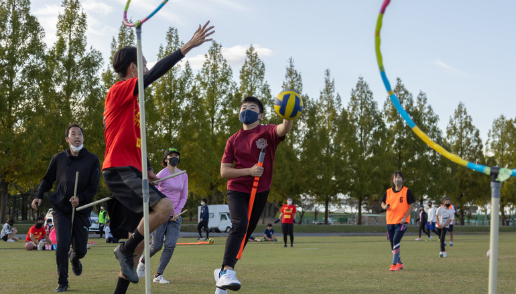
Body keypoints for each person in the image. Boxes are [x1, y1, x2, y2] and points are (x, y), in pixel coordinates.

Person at [102, 22, 214, 294]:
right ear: (132, 68)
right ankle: (124, 251)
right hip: (119, 170)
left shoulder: (133, 103)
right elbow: (153, 75)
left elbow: (135, 139)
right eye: (143, 63)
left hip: (133, 169)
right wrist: (186, 47)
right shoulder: (119, 90)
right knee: (164, 209)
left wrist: (149, 167)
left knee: (139, 243)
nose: (147, 67)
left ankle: (126, 260)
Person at [214, 95, 294, 293]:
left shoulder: (266, 132)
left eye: (251, 107)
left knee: (244, 235)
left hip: (260, 190)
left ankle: (222, 276)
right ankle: (227, 271)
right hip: (237, 189)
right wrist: (248, 171)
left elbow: (284, 129)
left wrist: (288, 114)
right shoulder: (232, 140)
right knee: (239, 225)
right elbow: (225, 171)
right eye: (243, 107)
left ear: (261, 115)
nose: (246, 110)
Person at [32, 123, 100, 292]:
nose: (77, 137)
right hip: (61, 209)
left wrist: (81, 198)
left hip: (81, 210)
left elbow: (93, 187)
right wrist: (39, 195)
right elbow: (47, 180)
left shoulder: (92, 160)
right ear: (67, 138)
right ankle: (63, 282)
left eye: (80, 134)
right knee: (62, 244)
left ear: (83, 138)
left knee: (81, 250)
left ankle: (75, 259)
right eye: (73, 134)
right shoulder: (58, 158)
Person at [137, 147, 188, 284]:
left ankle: (158, 275)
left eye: (176, 155)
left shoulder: (183, 175)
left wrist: (177, 211)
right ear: (165, 159)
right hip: (161, 214)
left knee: (170, 245)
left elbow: (184, 196)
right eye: (171, 155)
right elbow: (153, 191)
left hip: (176, 215)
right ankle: (143, 260)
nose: (174, 157)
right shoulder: (161, 174)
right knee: (157, 245)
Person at [381, 171, 415, 272]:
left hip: (401, 221)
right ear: (392, 180)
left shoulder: (406, 191)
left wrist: (405, 217)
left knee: (396, 241)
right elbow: (382, 203)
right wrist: (385, 206)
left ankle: (393, 265)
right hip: (390, 221)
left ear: (402, 180)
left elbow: (411, 205)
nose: (397, 179)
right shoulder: (388, 192)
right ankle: (399, 263)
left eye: (399, 177)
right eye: (395, 177)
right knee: (392, 243)